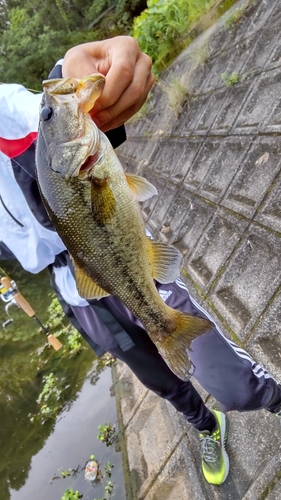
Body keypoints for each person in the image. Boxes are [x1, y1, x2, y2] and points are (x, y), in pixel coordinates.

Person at [1, 35, 281, 487]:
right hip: (75, 289)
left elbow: (52, 117)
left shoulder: (9, 114)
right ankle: (208, 427)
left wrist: (74, 75)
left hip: (116, 249)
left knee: (225, 375)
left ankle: (270, 395)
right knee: (159, 377)